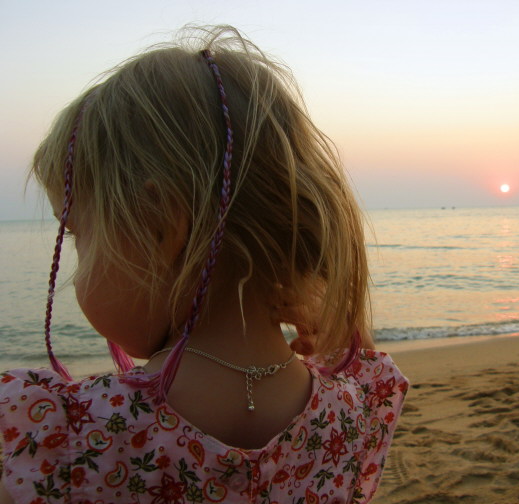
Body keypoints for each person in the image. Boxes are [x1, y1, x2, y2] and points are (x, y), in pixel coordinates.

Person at [0, 25, 407, 503]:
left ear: (157, 224)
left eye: (77, 234)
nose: (75, 261)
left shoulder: (56, 436)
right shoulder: (356, 408)